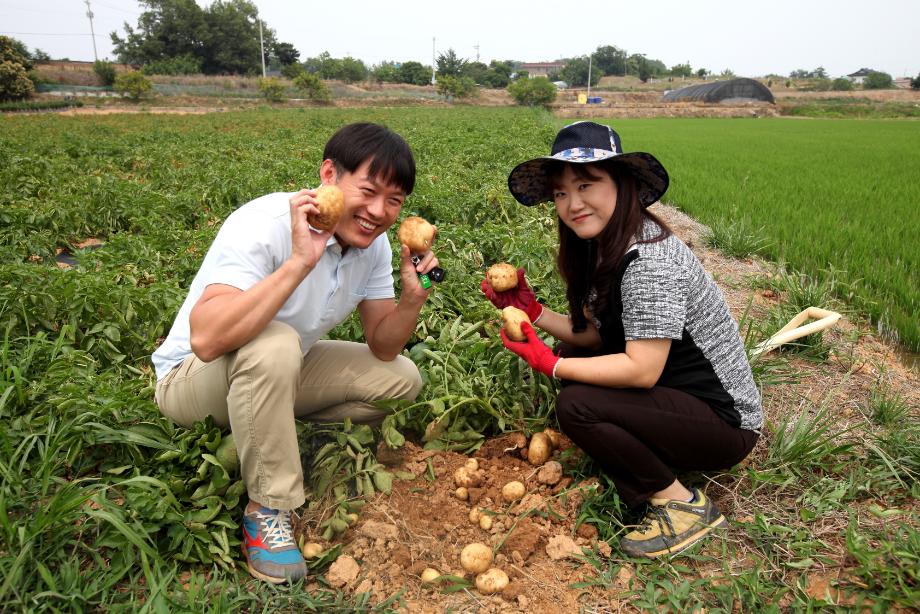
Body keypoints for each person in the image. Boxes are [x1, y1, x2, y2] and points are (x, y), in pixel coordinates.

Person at [152, 122, 439, 583]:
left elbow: (383, 346)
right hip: (191, 378)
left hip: (275, 367)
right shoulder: (264, 223)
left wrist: (413, 297)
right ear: (329, 175)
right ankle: (268, 508)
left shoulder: (374, 245)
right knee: (277, 339)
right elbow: (206, 340)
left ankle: (265, 422)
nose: (378, 211)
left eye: (395, 201)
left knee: (402, 378)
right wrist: (300, 261)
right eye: (368, 191)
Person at [482, 121, 762, 558]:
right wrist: (534, 313)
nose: (572, 203)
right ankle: (646, 449)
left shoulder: (649, 259)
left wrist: (548, 364)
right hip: (676, 393)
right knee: (575, 354)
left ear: (623, 184)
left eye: (586, 184)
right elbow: (599, 335)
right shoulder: (607, 245)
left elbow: (642, 369)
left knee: (576, 403)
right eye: (560, 192)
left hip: (725, 423)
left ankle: (682, 505)